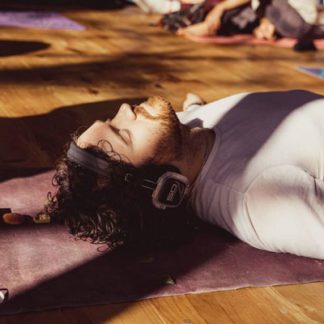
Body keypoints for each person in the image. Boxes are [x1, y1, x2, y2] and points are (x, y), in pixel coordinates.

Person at [45, 90, 324, 259]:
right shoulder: (257, 196)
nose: (123, 109)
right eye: (122, 133)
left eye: (110, 120)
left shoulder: (183, 132)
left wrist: (195, 108)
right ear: (164, 186)